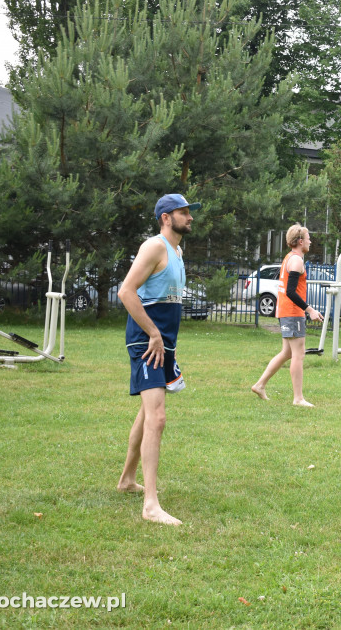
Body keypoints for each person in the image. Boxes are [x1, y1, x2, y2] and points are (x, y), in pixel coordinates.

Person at [116, 193, 201, 525]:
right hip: (145, 342)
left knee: (147, 412)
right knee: (158, 417)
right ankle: (150, 505)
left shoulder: (178, 251)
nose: (190, 217)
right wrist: (153, 334)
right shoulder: (154, 246)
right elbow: (127, 291)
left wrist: (170, 343)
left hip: (162, 343)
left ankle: (126, 479)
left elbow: (167, 304)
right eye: (184, 212)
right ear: (166, 217)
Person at [251, 223, 323, 407]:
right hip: (292, 312)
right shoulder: (296, 260)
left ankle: (260, 385)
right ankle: (298, 398)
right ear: (300, 241)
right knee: (298, 355)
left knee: (287, 352)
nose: (310, 241)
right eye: (308, 238)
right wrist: (310, 310)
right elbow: (291, 292)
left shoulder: (290, 258)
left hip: (286, 311)